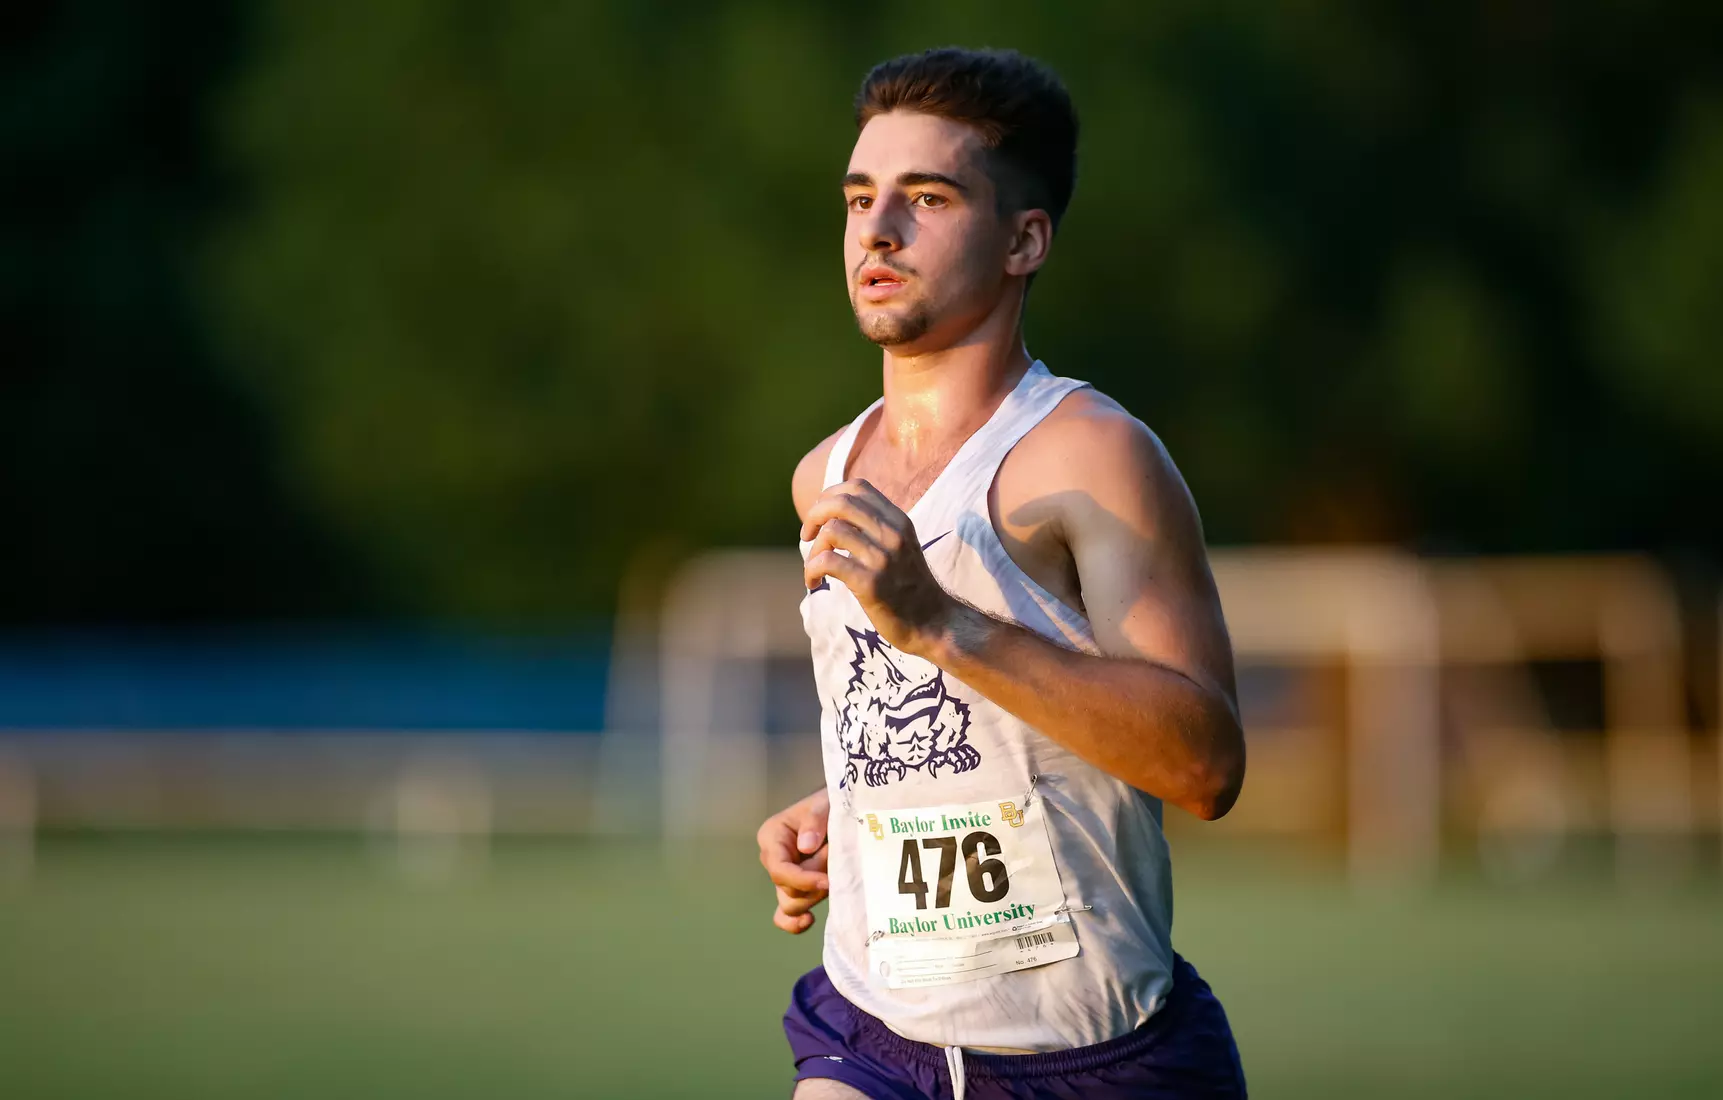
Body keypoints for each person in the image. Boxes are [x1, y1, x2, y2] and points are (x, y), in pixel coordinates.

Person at [758, 47, 1249, 1100]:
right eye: (860, 198)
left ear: (1025, 238)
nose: (877, 229)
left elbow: (1205, 765)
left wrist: (941, 619)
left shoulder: (1092, 455)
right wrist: (844, 807)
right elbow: (943, 727)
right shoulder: (823, 476)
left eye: (926, 198)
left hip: (1096, 1059)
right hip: (875, 1031)